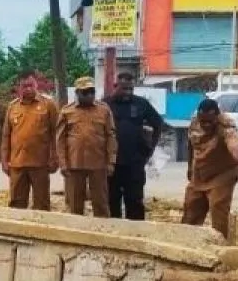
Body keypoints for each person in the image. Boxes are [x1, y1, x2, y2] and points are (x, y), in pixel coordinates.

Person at [181, 99, 238, 238]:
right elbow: (191, 145)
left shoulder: (226, 125)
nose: (206, 124)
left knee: (218, 207)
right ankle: (188, 241)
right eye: (203, 121)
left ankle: (220, 241)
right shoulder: (194, 123)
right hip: (200, 172)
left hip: (223, 173)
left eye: (210, 121)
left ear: (217, 117)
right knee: (191, 206)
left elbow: (235, 147)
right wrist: (189, 167)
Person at [105, 71, 164, 221]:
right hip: (112, 163)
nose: (128, 92)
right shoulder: (105, 105)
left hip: (135, 163)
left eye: (131, 89)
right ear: (115, 86)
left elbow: (158, 124)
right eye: (124, 88)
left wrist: (150, 149)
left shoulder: (141, 104)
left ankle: (136, 231)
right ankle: (114, 231)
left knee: (135, 202)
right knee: (111, 201)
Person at [56, 76, 117, 217]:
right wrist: (63, 164)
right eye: (85, 92)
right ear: (77, 93)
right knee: (75, 203)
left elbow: (111, 136)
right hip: (74, 164)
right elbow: (60, 140)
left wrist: (111, 161)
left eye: (92, 91)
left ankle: (102, 229)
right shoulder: (67, 111)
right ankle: (76, 228)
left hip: (98, 164)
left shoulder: (104, 110)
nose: (89, 95)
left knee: (101, 203)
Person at [1, 72, 59, 211]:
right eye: (24, 86)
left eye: (31, 85)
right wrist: (4, 160)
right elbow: (6, 135)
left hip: (40, 164)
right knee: (16, 204)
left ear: (36, 84)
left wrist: (55, 157)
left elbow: (56, 133)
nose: (28, 89)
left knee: (42, 204)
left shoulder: (48, 104)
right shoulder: (13, 107)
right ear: (19, 87)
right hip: (17, 164)